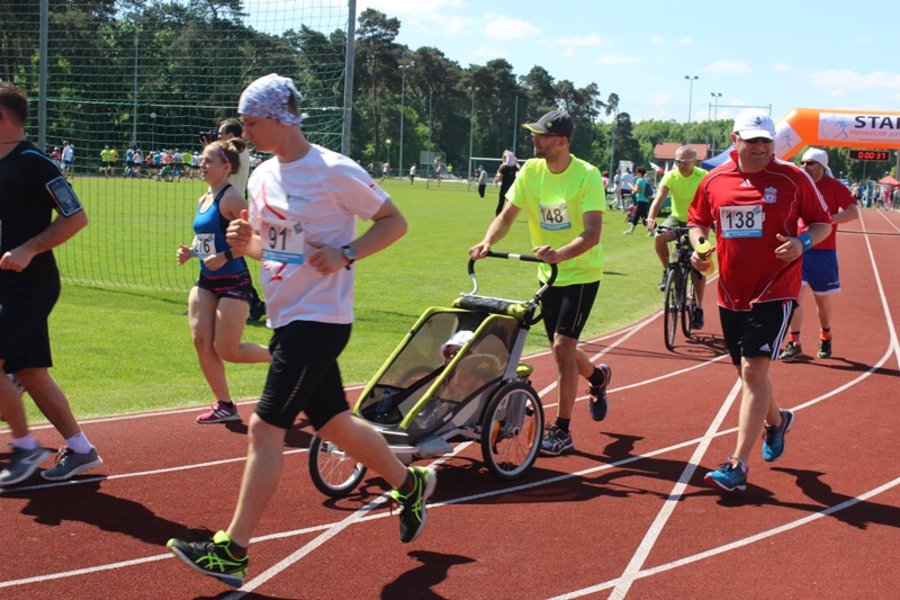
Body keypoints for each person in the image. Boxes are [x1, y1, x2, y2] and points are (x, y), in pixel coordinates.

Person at [166, 74, 437, 587]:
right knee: (333, 423)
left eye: (250, 123)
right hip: (287, 315)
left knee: (265, 428)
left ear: (280, 119)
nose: (242, 134)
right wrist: (247, 244)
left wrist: (348, 252)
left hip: (320, 320)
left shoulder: (334, 170)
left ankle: (233, 550)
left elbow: (394, 222)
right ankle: (410, 483)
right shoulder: (263, 176)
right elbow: (277, 251)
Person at [687, 109, 832, 493]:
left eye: (766, 141)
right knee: (750, 375)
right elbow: (697, 222)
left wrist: (801, 243)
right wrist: (700, 246)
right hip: (732, 291)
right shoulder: (715, 180)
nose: (759, 148)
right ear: (735, 139)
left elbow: (821, 223)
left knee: (753, 371)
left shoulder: (793, 177)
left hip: (776, 287)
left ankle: (737, 465)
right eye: (751, 140)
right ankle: (777, 421)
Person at [469, 109, 613, 457]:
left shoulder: (587, 175)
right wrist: (488, 241)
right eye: (533, 133)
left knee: (563, 348)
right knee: (561, 348)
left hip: (580, 274)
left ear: (561, 142)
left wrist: (560, 254)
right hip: (548, 273)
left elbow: (592, 234)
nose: (534, 139)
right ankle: (597, 376)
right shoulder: (530, 171)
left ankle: (562, 431)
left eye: (541, 135)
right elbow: (507, 215)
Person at [0, 82, 103, 486]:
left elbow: (76, 217)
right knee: (31, 372)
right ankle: (80, 449)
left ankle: (25, 449)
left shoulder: (34, 162)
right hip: (6, 284)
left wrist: (28, 249)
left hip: (30, 285)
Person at [176, 139, 270, 424]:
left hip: (234, 281)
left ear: (226, 167)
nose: (201, 165)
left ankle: (284, 358)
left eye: (208, 161)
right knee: (200, 340)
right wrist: (191, 252)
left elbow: (256, 241)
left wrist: (226, 255)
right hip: (206, 280)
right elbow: (207, 239)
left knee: (227, 349)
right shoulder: (203, 198)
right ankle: (225, 404)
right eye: (201, 160)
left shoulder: (231, 199)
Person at [779, 148, 859, 361]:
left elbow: (853, 212)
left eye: (810, 163)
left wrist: (825, 221)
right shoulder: (797, 183)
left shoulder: (834, 187)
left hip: (824, 252)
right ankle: (794, 342)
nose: (805, 167)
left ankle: (825, 335)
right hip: (800, 249)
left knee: (821, 300)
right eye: (803, 163)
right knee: (794, 298)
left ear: (822, 166)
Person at [647, 145, 709, 328]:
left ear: (694, 161)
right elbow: (659, 198)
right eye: (677, 161)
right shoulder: (671, 176)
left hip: (697, 222)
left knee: (699, 261)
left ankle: (698, 308)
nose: (680, 165)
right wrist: (651, 217)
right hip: (677, 219)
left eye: (684, 162)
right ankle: (668, 270)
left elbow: (713, 199)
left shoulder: (703, 177)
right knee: (659, 237)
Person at [218, 118, 266, 323]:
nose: (218, 138)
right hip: (228, 205)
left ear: (230, 136)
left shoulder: (236, 153)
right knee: (225, 254)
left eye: (221, 135)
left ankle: (254, 301)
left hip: (229, 207)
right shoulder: (240, 152)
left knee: (230, 255)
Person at [623, 166, 652, 235]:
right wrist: (634, 185)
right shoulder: (643, 180)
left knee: (640, 216)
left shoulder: (639, 180)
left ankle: (652, 230)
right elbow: (640, 189)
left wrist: (630, 186)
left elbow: (637, 191)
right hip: (644, 200)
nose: (636, 173)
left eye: (637, 172)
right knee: (642, 216)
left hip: (641, 200)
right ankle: (651, 230)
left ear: (640, 173)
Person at [495, 148, 519, 215]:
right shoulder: (514, 167)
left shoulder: (503, 167)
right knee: (510, 203)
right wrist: (516, 162)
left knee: (501, 202)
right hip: (511, 188)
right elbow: (519, 169)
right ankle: (507, 215)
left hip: (504, 188)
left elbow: (499, 176)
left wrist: (497, 179)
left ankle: (498, 215)